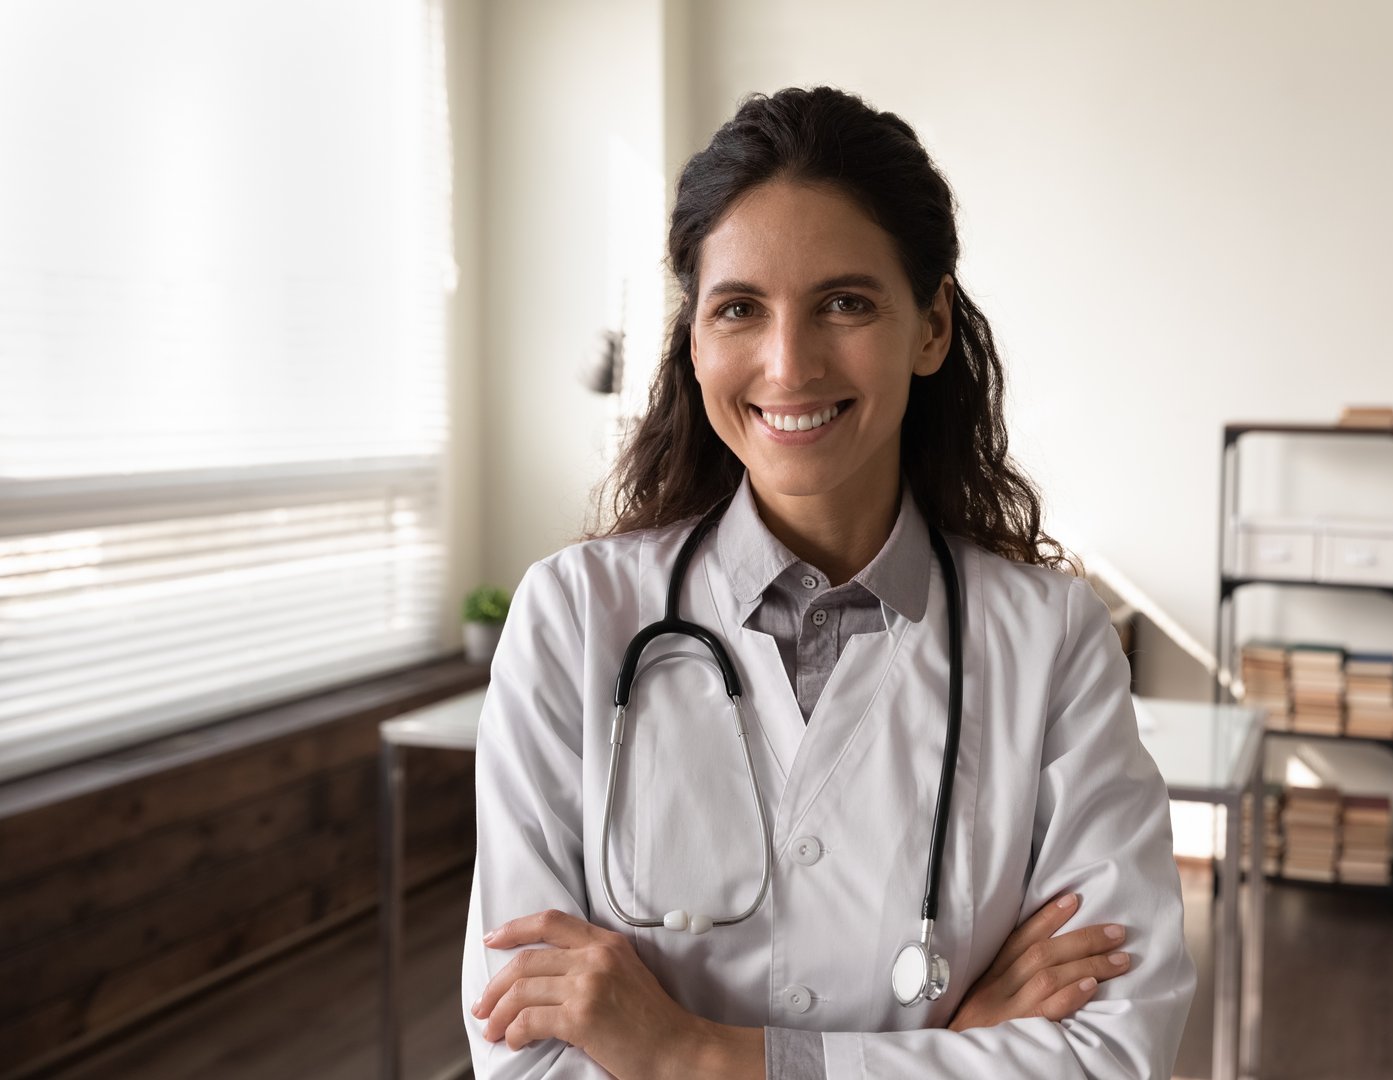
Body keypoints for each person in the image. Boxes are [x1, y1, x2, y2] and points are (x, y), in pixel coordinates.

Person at [462, 86, 1196, 1079]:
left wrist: (690, 1055)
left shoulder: (1050, 641)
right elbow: (531, 1061)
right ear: (694, 338)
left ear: (931, 327)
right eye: (739, 309)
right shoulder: (573, 619)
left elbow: (1113, 1052)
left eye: (845, 303)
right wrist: (954, 1049)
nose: (788, 361)